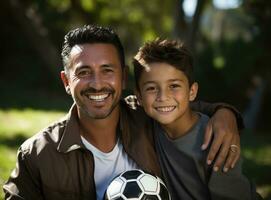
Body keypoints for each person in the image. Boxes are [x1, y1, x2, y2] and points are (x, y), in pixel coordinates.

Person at [4, 25, 242, 200]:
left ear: (123, 76)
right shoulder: (37, 156)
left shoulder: (148, 117)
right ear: (66, 81)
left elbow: (183, 107)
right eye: (84, 72)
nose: (97, 84)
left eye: (107, 70)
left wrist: (224, 113)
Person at [133, 38, 260, 200]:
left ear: (192, 91)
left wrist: (226, 112)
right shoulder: (147, 124)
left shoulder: (216, 139)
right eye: (151, 88)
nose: (163, 97)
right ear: (139, 97)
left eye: (174, 86)